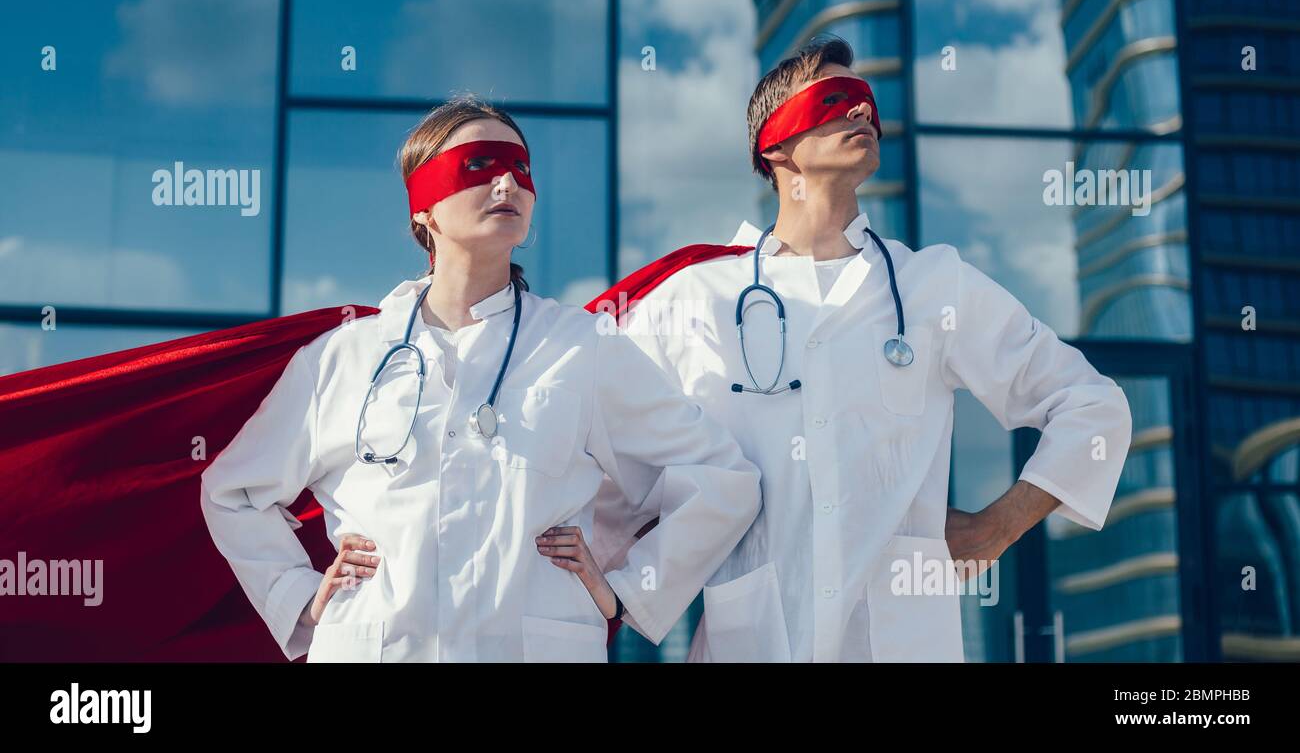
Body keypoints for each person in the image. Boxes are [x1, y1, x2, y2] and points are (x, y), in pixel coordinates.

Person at [597, 35, 1133, 662]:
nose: (860, 113)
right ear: (773, 146)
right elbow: (591, 440)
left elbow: (1092, 404)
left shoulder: (933, 287)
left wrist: (997, 527)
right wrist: (614, 589)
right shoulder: (696, 298)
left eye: (866, 102)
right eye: (835, 98)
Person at [199, 96, 761, 662]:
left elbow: (721, 475)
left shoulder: (581, 349)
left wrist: (626, 589)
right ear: (424, 209)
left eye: (520, 170)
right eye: (479, 165)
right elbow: (235, 494)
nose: (507, 184)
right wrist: (301, 600)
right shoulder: (343, 357)